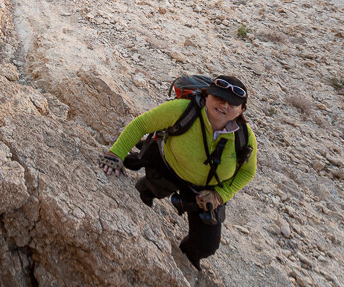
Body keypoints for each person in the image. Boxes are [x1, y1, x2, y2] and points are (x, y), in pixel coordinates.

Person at [98, 76, 257, 271]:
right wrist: (116, 154)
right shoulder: (183, 110)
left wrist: (220, 195)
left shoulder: (244, 137)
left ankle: (184, 260)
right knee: (144, 194)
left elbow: (247, 173)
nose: (224, 105)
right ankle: (148, 187)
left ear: (241, 110)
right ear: (207, 96)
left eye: (232, 104)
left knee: (206, 246)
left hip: (204, 190)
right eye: (219, 98)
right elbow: (141, 124)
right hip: (168, 165)